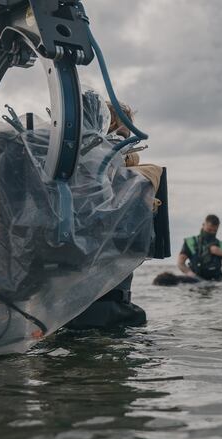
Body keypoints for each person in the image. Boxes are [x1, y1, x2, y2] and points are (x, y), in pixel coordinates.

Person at [65, 101, 148, 330]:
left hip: (70, 313)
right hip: (96, 312)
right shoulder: (85, 177)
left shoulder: (126, 178)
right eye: (120, 137)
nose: (125, 145)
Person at [178, 214, 222, 281]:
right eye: (209, 230)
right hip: (196, 280)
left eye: (214, 231)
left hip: (217, 282)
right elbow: (180, 263)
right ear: (203, 225)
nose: (212, 232)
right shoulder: (190, 242)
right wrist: (190, 274)